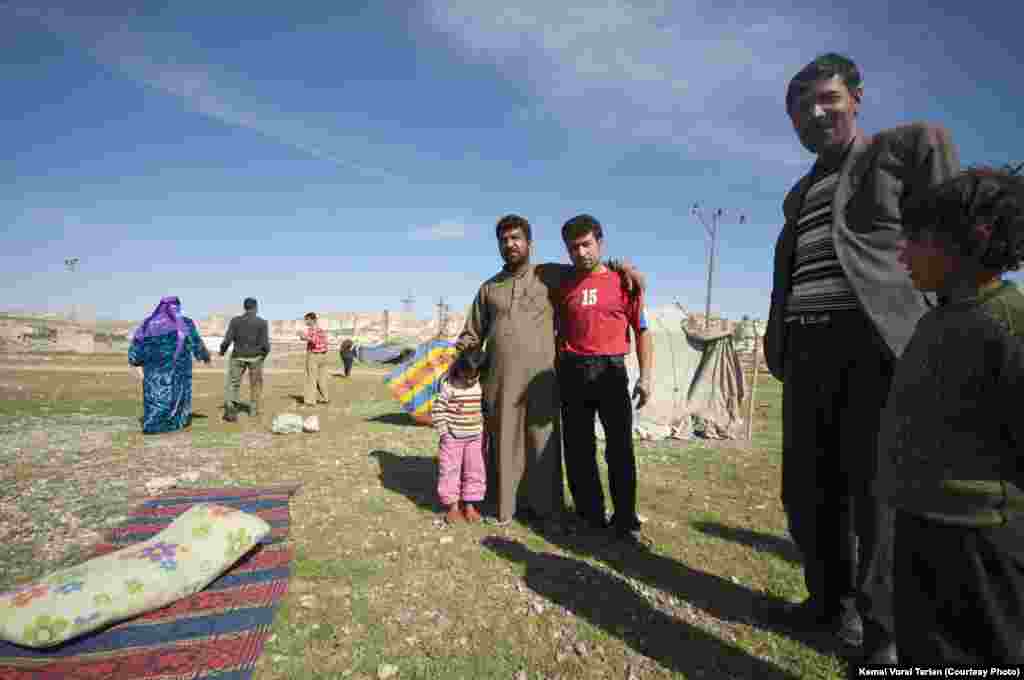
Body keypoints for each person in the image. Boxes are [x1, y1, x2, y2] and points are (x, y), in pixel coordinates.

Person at [763, 53, 959, 662]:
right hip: (807, 349)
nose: (815, 114)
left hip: (872, 345)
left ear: (857, 98)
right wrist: (779, 338)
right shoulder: (800, 193)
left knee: (875, 496)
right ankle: (827, 602)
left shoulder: (893, 157)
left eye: (828, 99)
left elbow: (946, 225)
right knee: (807, 488)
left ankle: (884, 637)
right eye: (801, 108)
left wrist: (946, 324)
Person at [874, 167, 1024, 665]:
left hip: (981, 542)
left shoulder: (1006, 325)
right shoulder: (935, 320)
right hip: (918, 524)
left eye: (914, 240)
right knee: (924, 651)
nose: (902, 253)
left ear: (969, 238)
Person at [456, 215, 644, 528]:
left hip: (543, 380)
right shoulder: (489, 288)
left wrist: (621, 266)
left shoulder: (549, 275)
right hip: (500, 381)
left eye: (516, 238)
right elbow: (471, 334)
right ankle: (506, 506)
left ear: (529, 243)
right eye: (504, 240)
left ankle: (545, 508)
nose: (510, 245)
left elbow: (589, 268)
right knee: (505, 442)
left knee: (542, 442)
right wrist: (466, 362)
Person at [556, 214, 653, 544]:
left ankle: (625, 519)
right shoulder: (562, 284)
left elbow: (642, 330)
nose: (580, 253)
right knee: (578, 449)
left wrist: (646, 377)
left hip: (611, 371)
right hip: (572, 371)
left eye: (586, 244)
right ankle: (589, 516)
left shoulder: (623, 282)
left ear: (600, 242)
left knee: (620, 449)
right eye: (573, 248)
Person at [128, 296, 210, 434]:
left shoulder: (148, 324)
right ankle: (173, 422)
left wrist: (135, 360)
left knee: (154, 396)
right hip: (178, 369)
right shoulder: (185, 323)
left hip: (153, 371)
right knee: (177, 395)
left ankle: (152, 422)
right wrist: (203, 355)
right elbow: (195, 342)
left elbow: (136, 347)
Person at [431, 349, 487, 524]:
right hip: (452, 438)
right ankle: (453, 507)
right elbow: (438, 410)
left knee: (475, 471)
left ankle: (470, 505)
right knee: (449, 471)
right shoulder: (449, 386)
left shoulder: (479, 385)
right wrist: (444, 433)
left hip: (475, 437)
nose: (470, 380)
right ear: (459, 369)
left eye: (474, 376)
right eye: (466, 376)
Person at [219, 297, 270, 422]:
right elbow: (265, 344)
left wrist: (222, 351)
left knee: (233, 383)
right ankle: (253, 410)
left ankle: (231, 408)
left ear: (244, 307)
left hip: (237, 356)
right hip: (256, 358)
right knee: (255, 384)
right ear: (256, 308)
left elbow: (227, 339)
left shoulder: (235, 321)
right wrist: (263, 356)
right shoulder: (262, 323)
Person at [298, 312, 330, 406]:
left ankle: (310, 401)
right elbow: (324, 342)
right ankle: (325, 398)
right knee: (322, 379)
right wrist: (305, 337)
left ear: (312, 320)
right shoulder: (321, 330)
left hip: (314, 356)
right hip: (323, 356)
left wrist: (303, 336)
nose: (306, 322)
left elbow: (314, 340)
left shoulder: (312, 329)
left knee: (311, 378)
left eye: (307, 320)